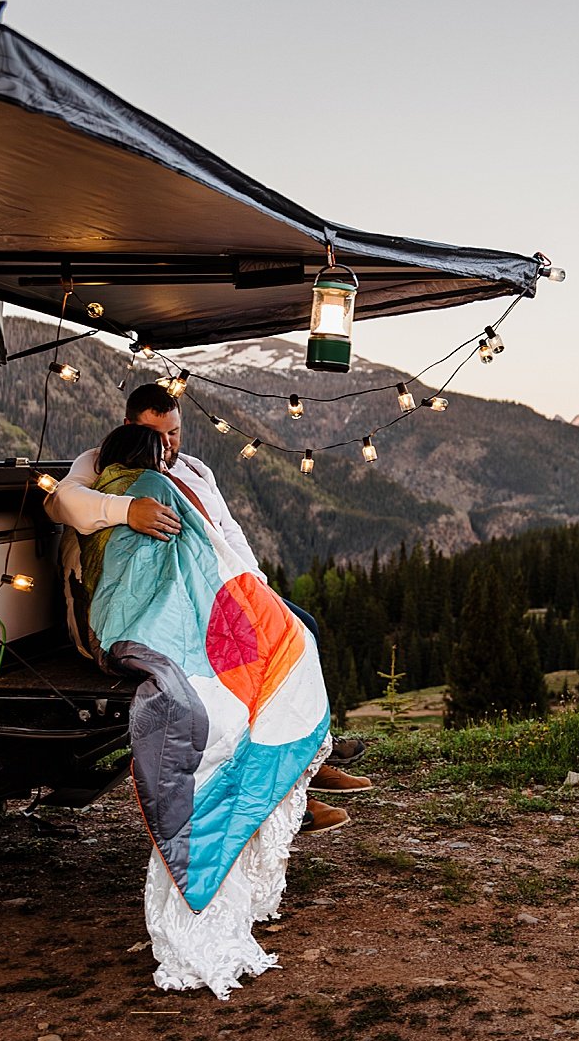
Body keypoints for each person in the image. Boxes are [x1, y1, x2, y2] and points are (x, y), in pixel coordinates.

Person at [73, 422, 329, 997]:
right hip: (152, 619)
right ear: (150, 448)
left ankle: (307, 777)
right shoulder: (149, 488)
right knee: (275, 665)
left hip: (113, 624)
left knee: (282, 643)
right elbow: (192, 563)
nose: (172, 447)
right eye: (164, 441)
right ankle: (301, 771)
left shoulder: (117, 491)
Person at [46, 384, 371, 822]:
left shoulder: (197, 469)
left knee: (300, 626)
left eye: (174, 434)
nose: (167, 445)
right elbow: (61, 502)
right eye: (156, 435)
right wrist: (127, 510)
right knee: (243, 657)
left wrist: (254, 585)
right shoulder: (102, 460)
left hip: (219, 586)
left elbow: (228, 530)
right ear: (129, 428)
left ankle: (308, 760)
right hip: (152, 602)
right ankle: (274, 788)